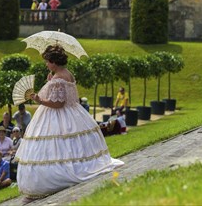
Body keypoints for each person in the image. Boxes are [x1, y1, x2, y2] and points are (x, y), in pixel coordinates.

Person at [15, 45, 124, 202]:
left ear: (53, 62)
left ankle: (55, 177)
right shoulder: (67, 74)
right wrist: (50, 82)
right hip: (75, 113)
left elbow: (58, 104)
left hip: (57, 115)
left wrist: (39, 100)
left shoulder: (58, 79)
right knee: (70, 145)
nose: (46, 64)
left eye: (47, 61)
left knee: (57, 145)